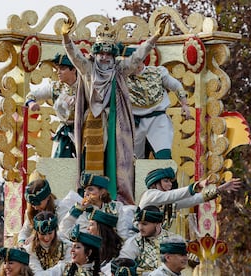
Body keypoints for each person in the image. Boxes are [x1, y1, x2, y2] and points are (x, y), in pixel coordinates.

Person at [61, 16, 170, 204]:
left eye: (108, 54)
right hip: (93, 122)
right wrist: (65, 36)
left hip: (115, 124)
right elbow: (73, 54)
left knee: (117, 159)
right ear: (96, 53)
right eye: (101, 53)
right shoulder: (88, 68)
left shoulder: (119, 69)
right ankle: (91, 196)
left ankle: (113, 197)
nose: (104, 57)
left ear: (113, 55)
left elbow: (138, 57)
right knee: (93, 161)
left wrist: (155, 37)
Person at [125, 58, 191, 159]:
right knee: (135, 161)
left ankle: (165, 174)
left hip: (158, 120)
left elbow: (176, 85)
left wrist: (184, 104)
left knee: (163, 155)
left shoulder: (158, 72)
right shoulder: (122, 77)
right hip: (135, 123)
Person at [139, 167, 242, 228]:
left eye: (170, 181)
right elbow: (172, 195)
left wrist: (220, 189)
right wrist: (197, 186)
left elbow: (193, 200)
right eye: (166, 181)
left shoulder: (166, 202)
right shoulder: (150, 195)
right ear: (154, 184)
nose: (170, 184)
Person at [25, 53, 80, 158]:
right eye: (58, 69)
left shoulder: (85, 86)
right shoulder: (55, 87)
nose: (58, 72)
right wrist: (31, 103)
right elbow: (31, 95)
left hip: (83, 131)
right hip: (64, 132)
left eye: (63, 69)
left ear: (73, 70)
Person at [59, 173, 136, 241]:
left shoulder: (116, 207)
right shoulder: (82, 210)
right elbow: (64, 229)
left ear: (102, 191)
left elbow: (122, 234)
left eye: (90, 189)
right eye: (85, 190)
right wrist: (77, 210)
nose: (86, 194)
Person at [118, 205, 181, 275]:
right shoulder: (134, 243)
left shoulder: (173, 240)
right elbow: (122, 268)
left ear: (157, 224)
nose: (140, 228)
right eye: (139, 223)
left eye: (144, 224)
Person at [18, 172, 69, 247]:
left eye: (38, 203)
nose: (35, 207)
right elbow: (24, 232)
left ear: (47, 197)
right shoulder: (32, 211)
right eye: (32, 204)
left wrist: (37, 237)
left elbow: (64, 233)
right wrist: (21, 242)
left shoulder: (61, 208)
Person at [87, 209, 123, 275]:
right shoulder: (91, 246)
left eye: (91, 224)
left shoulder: (120, 249)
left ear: (101, 227)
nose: (88, 228)